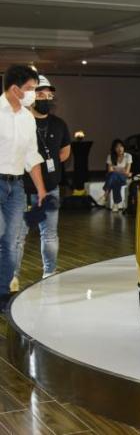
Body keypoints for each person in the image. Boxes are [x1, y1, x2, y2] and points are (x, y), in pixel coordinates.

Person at [12, 75, 71, 289]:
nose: (45, 98)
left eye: (48, 95)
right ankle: (12, 277)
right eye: (40, 94)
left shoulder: (59, 124)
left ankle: (49, 272)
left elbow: (65, 152)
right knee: (18, 237)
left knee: (49, 235)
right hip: (22, 190)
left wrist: (48, 166)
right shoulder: (19, 122)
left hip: (51, 189)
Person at [0, 64, 47, 311]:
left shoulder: (28, 118)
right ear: (15, 89)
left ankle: (2, 292)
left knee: (11, 241)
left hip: (16, 186)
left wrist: (41, 190)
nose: (33, 94)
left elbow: (32, 155)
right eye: (30, 88)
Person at [98, 139, 132, 212]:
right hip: (114, 178)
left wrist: (115, 169)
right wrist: (122, 170)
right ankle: (116, 204)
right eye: (117, 147)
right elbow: (110, 170)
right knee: (115, 180)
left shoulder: (128, 156)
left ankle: (105, 196)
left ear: (124, 147)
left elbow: (127, 172)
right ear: (114, 149)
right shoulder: (110, 156)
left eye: (121, 146)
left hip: (123, 178)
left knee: (113, 175)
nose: (119, 149)